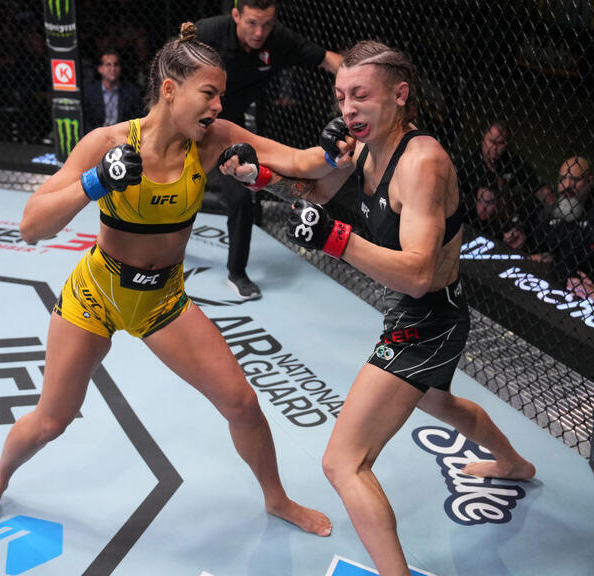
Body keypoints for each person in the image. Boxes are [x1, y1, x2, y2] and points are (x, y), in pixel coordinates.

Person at [0, 23, 337, 542]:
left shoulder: (213, 142)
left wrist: (342, 140)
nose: (218, 107)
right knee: (51, 420)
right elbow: (31, 226)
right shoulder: (107, 142)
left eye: (222, 96)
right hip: (98, 294)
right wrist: (95, 182)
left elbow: (301, 164)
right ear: (169, 89)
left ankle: (276, 498)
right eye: (209, 93)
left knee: (242, 404)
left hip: (162, 301)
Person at [224, 41, 536, 575]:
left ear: (400, 94)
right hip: (429, 314)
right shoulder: (368, 148)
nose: (347, 108)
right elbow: (314, 195)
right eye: (341, 96)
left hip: (429, 317)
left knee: (342, 463)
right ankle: (515, 463)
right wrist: (258, 178)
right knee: (439, 403)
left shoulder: (423, 164)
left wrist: (337, 240)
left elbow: (416, 274)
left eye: (360, 95)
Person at [195, 0, 342, 300]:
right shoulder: (207, 33)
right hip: (191, 122)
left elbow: (330, 60)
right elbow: (167, 72)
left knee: (240, 197)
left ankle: (237, 272)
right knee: (162, 184)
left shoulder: (279, 40)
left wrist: (364, 90)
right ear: (235, 15)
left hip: (229, 129)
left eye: (267, 24)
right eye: (251, 23)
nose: (259, 32)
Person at [529, 156, 594, 304]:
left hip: (589, 294)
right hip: (556, 287)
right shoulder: (552, 213)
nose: (567, 186)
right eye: (562, 179)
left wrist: (556, 258)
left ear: (589, 181)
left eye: (575, 180)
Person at [454, 120, 553, 240]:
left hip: (501, 216)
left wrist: (556, 207)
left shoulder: (512, 161)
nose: (495, 147)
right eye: (491, 141)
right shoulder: (467, 160)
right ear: (483, 140)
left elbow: (539, 189)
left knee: (526, 202)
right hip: (470, 214)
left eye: (500, 143)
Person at [82, 48, 144, 133]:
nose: (113, 69)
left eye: (116, 64)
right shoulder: (89, 91)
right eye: (108, 65)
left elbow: (138, 118)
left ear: (120, 68)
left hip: (122, 134)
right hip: (97, 134)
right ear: (100, 69)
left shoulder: (131, 92)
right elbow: (85, 119)